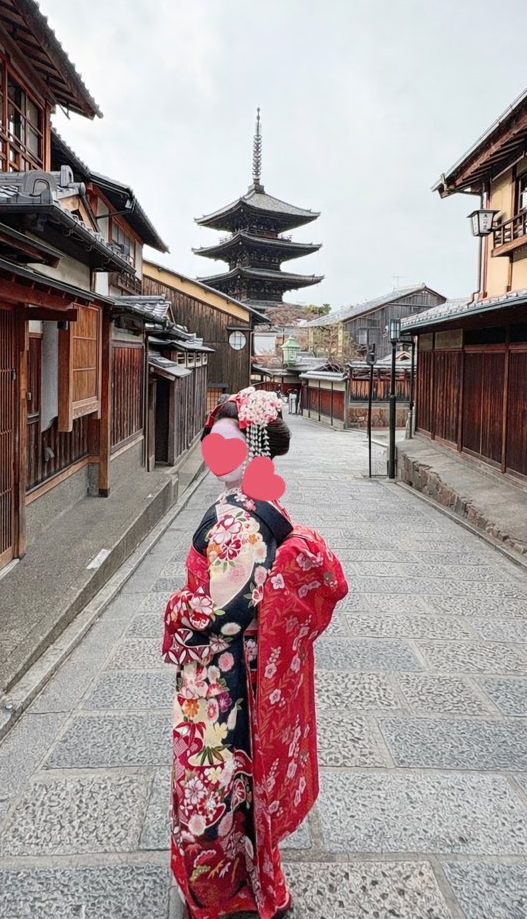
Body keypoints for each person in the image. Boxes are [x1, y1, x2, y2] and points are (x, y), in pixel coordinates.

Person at [163, 387, 347, 919]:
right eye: (211, 441)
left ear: (254, 448)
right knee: (237, 782)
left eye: (227, 441)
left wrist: (178, 610)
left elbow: (228, 614)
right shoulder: (258, 506)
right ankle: (254, 876)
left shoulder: (236, 519)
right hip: (244, 667)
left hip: (221, 676)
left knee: (215, 782)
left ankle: (224, 890)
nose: (213, 452)